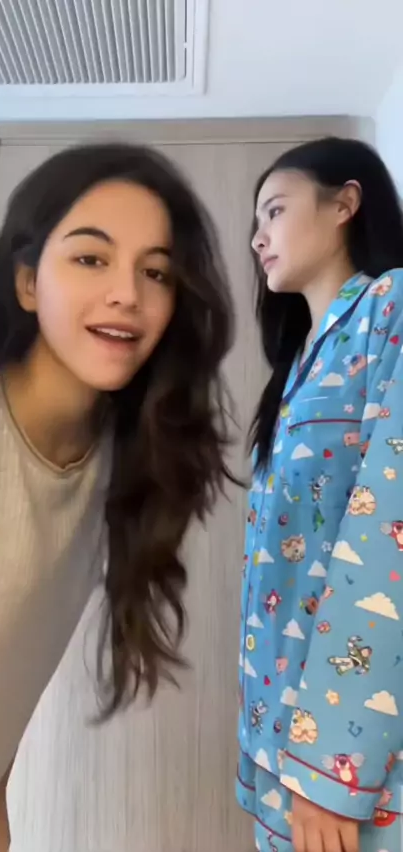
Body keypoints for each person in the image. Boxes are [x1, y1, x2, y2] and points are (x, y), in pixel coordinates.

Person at [0, 142, 236, 851]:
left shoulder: (117, 465)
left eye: (155, 271)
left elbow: (2, 655)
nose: (128, 293)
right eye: (92, 258)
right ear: (27, 283)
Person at [237, 136, 403, 852]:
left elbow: (389, 531)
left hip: (349, 760)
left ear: (345, 203)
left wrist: (334, 765)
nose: (258, 237)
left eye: (274, 210)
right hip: (280, 737)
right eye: (256, 223)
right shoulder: (302, 361)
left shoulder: (392, 308)